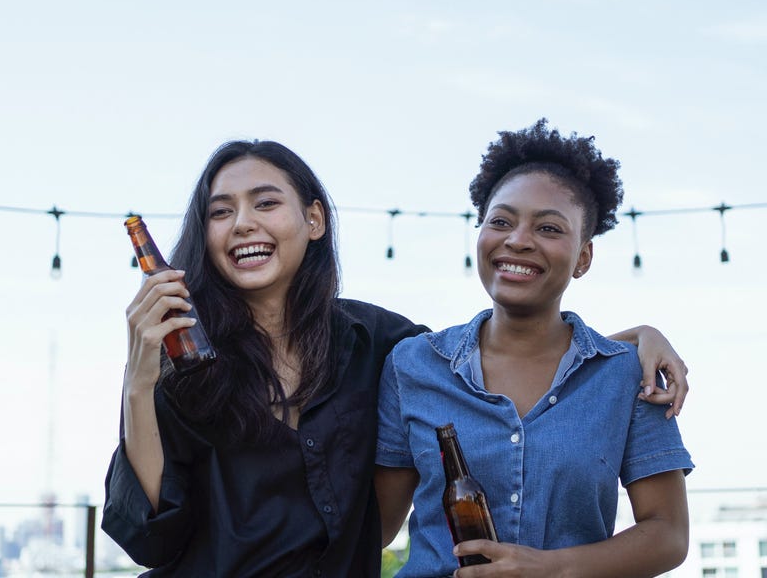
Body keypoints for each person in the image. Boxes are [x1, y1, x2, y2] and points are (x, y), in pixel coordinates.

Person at [101, 139, 689, 577]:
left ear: (313, 219)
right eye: (220, 210)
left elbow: (524, 351)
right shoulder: (183, 358)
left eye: (264, 202)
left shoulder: (381, 343)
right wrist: (137, 381)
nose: (243, 223)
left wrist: (633, 341)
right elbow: (148, 536)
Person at [374, 119, 693, 577]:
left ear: (583, 257)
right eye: (501, 221)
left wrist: (551, 568)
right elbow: (377, 526)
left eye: (548, 228)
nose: (518, 239)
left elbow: (668, 534)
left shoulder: (628, 376)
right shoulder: (413, 365)